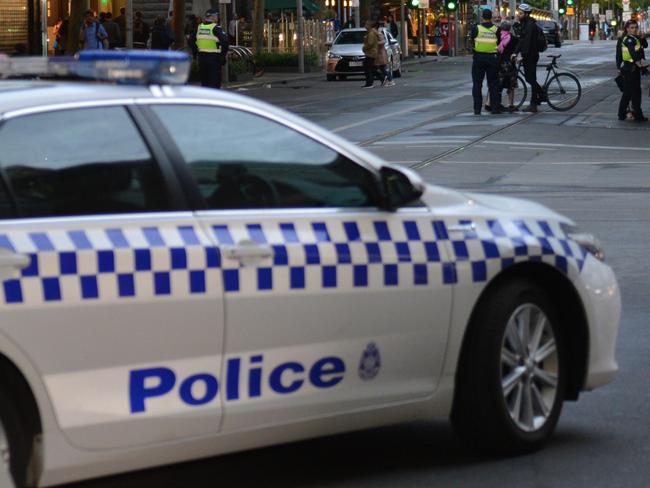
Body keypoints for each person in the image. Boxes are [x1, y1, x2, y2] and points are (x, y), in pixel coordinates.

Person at [471, 8, 501, 114]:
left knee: (477, 84)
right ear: (491, 17)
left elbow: (471, 41)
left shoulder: (476, 28)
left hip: (479, 58)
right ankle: (494, 108)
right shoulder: (496, 29)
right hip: (492, 58)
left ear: (482, 17)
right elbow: (499, 42)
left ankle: (477, 109)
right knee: (493, 84)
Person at [617, 19, 648, 122]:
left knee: (634, 93)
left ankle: (635, 114)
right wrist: (641, 64)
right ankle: (623, 114)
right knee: (629, 93)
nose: (634, 29)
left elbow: (644, 46)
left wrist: (643, 38)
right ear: (627, 29)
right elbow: (632, 54)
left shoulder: (635, 38)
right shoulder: (628, 39)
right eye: (632, 28)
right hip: (629, 69)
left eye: (635, 27)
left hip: (633, 69)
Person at [514, 4, 543, 112]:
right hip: (529, 55)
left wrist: (521, 55)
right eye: (518, 13)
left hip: (531, 55)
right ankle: (540, 94)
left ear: (526, 14)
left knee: (531, 79)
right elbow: (521, 40)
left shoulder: (530, 25)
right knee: (529, 78)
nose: (519, 15)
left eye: (521, 13)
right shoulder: (525, 24)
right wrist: (515, 52)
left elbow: (526, 42)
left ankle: (533, 104)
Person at [196, 9, 229, 89]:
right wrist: (223, 56)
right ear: (213, 17)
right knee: (214, 82)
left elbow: (192, 41)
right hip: (214, 59)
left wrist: (195, 54)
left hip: (202, 58)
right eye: (216, 15)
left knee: (205, 82)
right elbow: (225, 42)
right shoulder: (216, 28)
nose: (217, 17)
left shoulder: (200, 27)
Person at [498, 20, 519, 111]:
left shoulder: (498, 37)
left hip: (500, 64)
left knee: (499, 84)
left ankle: (497, 103)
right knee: (511, 85)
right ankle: (510, 104)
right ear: (510, 28)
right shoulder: (513, 38)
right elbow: (518, 47)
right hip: (510, 64)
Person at [362, 20, 382, 88]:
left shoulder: (371, 33)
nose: (365, 26)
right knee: (371, 68)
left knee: (367, 68)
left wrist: (364, 48)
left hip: (370, 53)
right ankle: (382, 78)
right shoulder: (370, 33)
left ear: (369, 26)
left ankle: (369, 83)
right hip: (372, 52)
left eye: (366, 25)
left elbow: (370, 43)